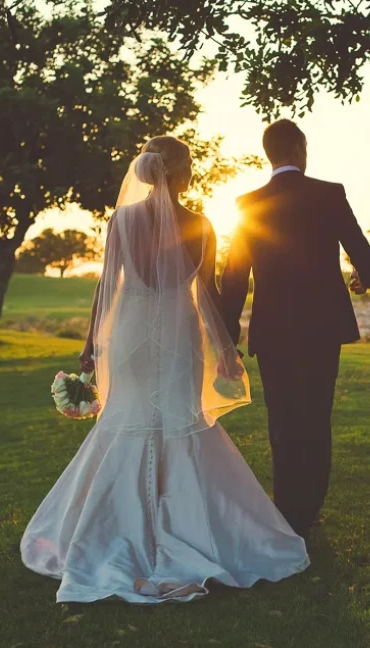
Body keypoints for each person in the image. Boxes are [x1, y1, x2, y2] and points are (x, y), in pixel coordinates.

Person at [20, 136, 309, 604]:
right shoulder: (201, 224)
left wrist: (90, 345)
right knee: (180, 422)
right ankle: (187, 529)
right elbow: (210, 295)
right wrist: (225, 347)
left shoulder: (123, 220)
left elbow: (106, 287)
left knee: (127, 422)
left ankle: (113, 530)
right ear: (182, 173)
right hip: (180, 334)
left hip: (130, 335)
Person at [221, 120, 370, 538]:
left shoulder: (247, 203)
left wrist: (227, 330)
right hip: (323, 326)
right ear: (298, 148)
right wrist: (364, 277)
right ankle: (308, 508)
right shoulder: (329, 193)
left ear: (269, 153)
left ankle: (287, 506)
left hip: (273, 329)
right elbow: (362, 250)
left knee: (283, 417)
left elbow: (235, 275)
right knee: (315, 413)